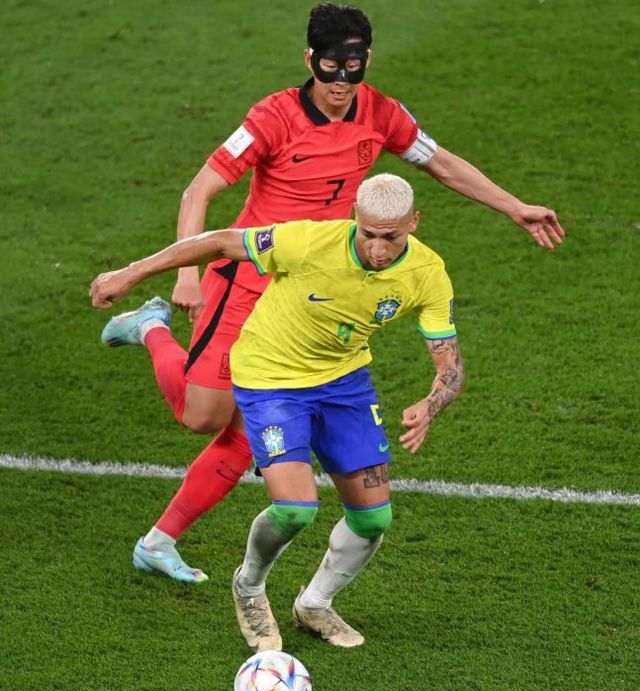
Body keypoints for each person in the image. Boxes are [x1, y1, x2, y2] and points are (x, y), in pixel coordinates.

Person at [100, 3, 563, 583]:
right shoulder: (271, 117)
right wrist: (186, 276)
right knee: (203, 416)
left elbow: (443, 164)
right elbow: (199, 193)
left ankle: (159, 540)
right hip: (250, 275)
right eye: (329, 67)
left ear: (366, 61)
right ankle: (151, 327)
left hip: (309, 294)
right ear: (309, 60)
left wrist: (514, 207)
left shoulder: (383, 114)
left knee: (248, 428)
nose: (341, 81)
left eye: (353, 67)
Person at [91, 174, 465, 650]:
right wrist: (130, 273)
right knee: (294, 509)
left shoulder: (427, 272)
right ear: (355, 216)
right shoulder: (309, 241)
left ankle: (315, 604)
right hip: (271, 379)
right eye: (368, 233)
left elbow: (451, 366)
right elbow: (221, 242)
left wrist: (431, 404)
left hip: (344, 383)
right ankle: (249, 588)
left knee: (373, 519)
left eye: (390, 236)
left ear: (413, 222)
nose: (377, 248)